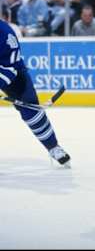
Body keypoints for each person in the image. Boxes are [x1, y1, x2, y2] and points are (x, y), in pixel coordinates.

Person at [0, 19, 71, 166]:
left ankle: (53, 147)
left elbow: (9, 66)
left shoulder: (5, 33)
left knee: (31, 109)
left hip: (12, 73)